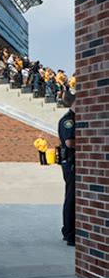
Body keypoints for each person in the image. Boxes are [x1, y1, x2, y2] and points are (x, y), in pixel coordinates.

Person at [58, 95, 76, 246]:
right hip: (70, 163)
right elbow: (70, 142)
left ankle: (69, 230)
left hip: (74, 162)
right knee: (72, 197)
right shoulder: (68, 120)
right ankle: (70, 233)